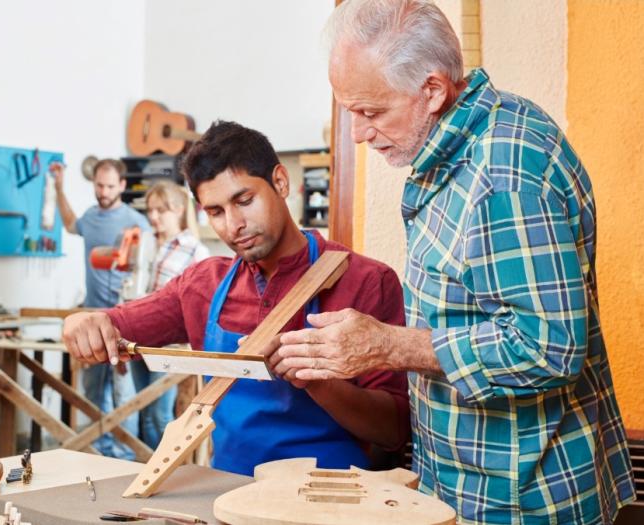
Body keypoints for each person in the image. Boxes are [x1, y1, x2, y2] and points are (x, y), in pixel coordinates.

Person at [268, 1, 636, 524]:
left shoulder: (504, 176)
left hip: (521, 497)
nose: (357, 133)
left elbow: (550, 348)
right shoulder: (463, 141)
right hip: (468, 482)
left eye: (371, 112)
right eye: (350, 110)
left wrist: (387, 344)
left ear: (434, 91)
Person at [61, 120, 411, 476]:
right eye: (215, 212)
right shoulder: (202, 284)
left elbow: (392, 431)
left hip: (330, 500)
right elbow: (115, 323)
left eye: (244, 201)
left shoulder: (366, 281)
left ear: (280, 182)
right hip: (226, 493)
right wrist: (86, 323)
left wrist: (315, 380)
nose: (233, 225)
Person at [52, 158, 151, 460]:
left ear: (122, 185)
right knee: (94, 396)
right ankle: (101, 458)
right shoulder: (90, 218)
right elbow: (70, 223)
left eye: (110, 186)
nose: (104, 191)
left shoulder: (138, 222)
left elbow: (147, 265)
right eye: (99, 185)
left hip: (125, 320)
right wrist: (58, 186)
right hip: (92, 319)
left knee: (124, 398)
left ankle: (126, 459)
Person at [131, 180, 209, 449]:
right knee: (141, 408)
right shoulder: (147, 244)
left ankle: (160, 472)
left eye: (160, 211)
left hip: (170, 344)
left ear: (177, 210)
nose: (153, 217)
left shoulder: (195, 250)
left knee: (159, 414)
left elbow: (199, 302)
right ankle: (142, 468)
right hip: (139, 337)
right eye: (150, 211)